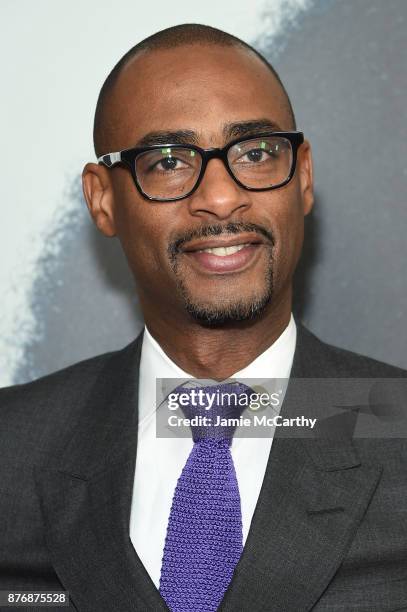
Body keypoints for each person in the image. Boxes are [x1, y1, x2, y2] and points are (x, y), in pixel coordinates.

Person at [1, 23, 406, 612]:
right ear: (102, 200)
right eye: (168, 161)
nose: (220, 197)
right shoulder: (13, 446)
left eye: (258, 153)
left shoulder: (394, 425)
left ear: (304, 176)